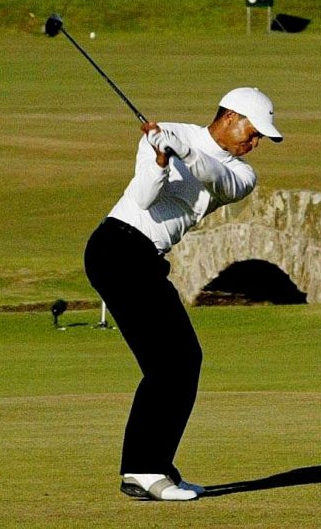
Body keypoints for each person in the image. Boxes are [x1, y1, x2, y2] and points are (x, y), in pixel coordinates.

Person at [83, 87, 282, 502]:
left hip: (144, 258)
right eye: (253, 131)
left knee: (179, 362)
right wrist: (159, 160)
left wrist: (186, 155)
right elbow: (142, 197)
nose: (256, 142)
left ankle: (156, 467)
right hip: (116, 248)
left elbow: (219, 179)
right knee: (172, 363)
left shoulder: (243, 174)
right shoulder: (168, 132)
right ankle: (143, 469)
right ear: (229, 116)